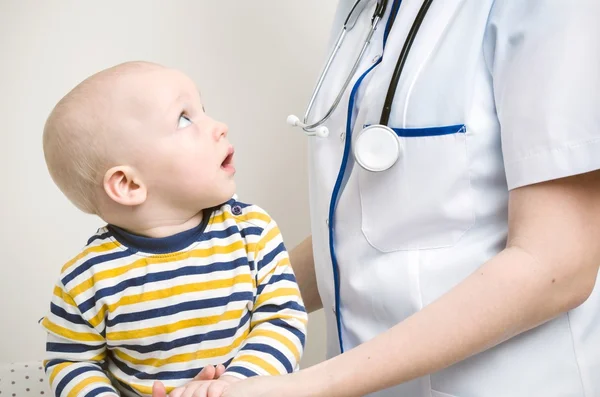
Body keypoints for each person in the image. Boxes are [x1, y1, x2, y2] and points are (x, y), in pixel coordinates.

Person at [181, 1, 600, 396]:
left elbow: (558, 263)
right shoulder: (362, 9)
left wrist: (300, 386)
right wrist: (208, 306)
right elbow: (367, 230)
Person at [39, 61, 307, 397]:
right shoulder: (86, 280)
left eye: (204, 110)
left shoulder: (252, 233)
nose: (219, 126)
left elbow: (283, 320)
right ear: (128, 184)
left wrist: (234, 384)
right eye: (184, 118)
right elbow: (71, 362)